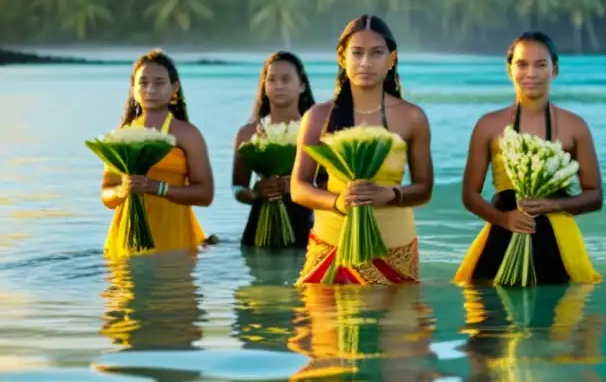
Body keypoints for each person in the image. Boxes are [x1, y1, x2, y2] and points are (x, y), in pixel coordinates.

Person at [290, 15, 434, 285]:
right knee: (325, 326)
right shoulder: (318, 117)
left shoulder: (412, 117)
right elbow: (298, 188)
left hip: (393, 245)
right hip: (331, 241)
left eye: (376, 53)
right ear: (342, 59)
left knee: (397, 325)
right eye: (357, 53)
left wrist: (390, 194)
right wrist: (336, 201)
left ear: (391, 60)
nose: (365, 62)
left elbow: (424, 189)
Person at [453, 31, 602, 286]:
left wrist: (552, 205)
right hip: (501, 232)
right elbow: (470, 195)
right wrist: (504, 219)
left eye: (540, 64)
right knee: (487, 318)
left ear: (554, 69)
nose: (530, 73)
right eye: (521, 64)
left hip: (559, 236)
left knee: (559, 319)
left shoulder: (575, 126)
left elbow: (595, 196)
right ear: (509, 69)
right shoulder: (488, 126)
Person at [100, 50, 214, 255]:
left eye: (159, 82)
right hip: (126, 241)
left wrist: (157, 187)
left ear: (174, 88)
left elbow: (205, 195)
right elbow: (106, 194)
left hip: (173, 239)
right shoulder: (122, 135)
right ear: (132, 87)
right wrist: (122, 190)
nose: (150, 89)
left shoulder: (188, 134)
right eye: (143, 83)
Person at [231, 51, 315, 248]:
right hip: (258, 229)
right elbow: (237, 187)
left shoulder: (315, 131)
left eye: (286, 79)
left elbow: (328, 185)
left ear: (302, 85)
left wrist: (295, 186)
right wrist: (255, 193)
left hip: (305, 228)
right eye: (272, 80)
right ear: (265, 86)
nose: (278, 86)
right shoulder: (248, 133)